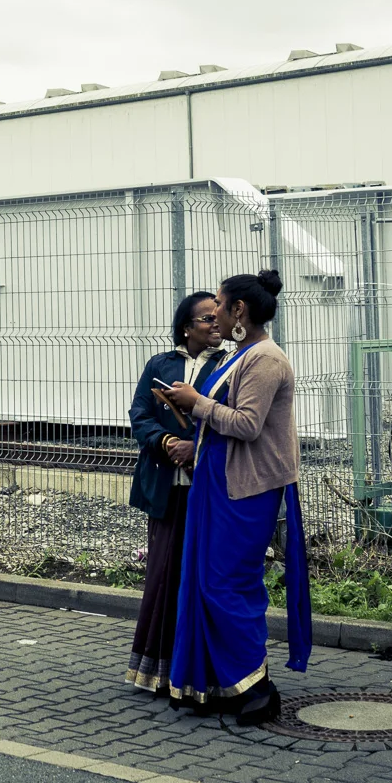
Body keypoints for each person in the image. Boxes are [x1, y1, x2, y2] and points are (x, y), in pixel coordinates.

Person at [160, 270, 310, 724]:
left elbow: (247, 424)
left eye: (220, 307)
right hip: (220, 481)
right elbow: (222, 421)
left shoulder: (265, 359)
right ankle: (217, 683)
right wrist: (190, 422)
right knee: (205, 582)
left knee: (229, 584)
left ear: (240, 311)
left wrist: (196, 402)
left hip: (247, 488)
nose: (215, 315)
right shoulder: (239, 355)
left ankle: (257, 688)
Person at [124, 291, 224, 694]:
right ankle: (157, 670)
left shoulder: (227, 365)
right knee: (164, 574)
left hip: (208, 486)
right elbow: (139, 415)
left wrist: (195, 446)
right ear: (186, 327)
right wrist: (166, 442)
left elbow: (228, 419)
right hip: (166, 487)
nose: (215, 325)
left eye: (218, 318)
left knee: (200, 575)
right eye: (206, 319)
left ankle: (198, 671)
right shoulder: (160, 365)